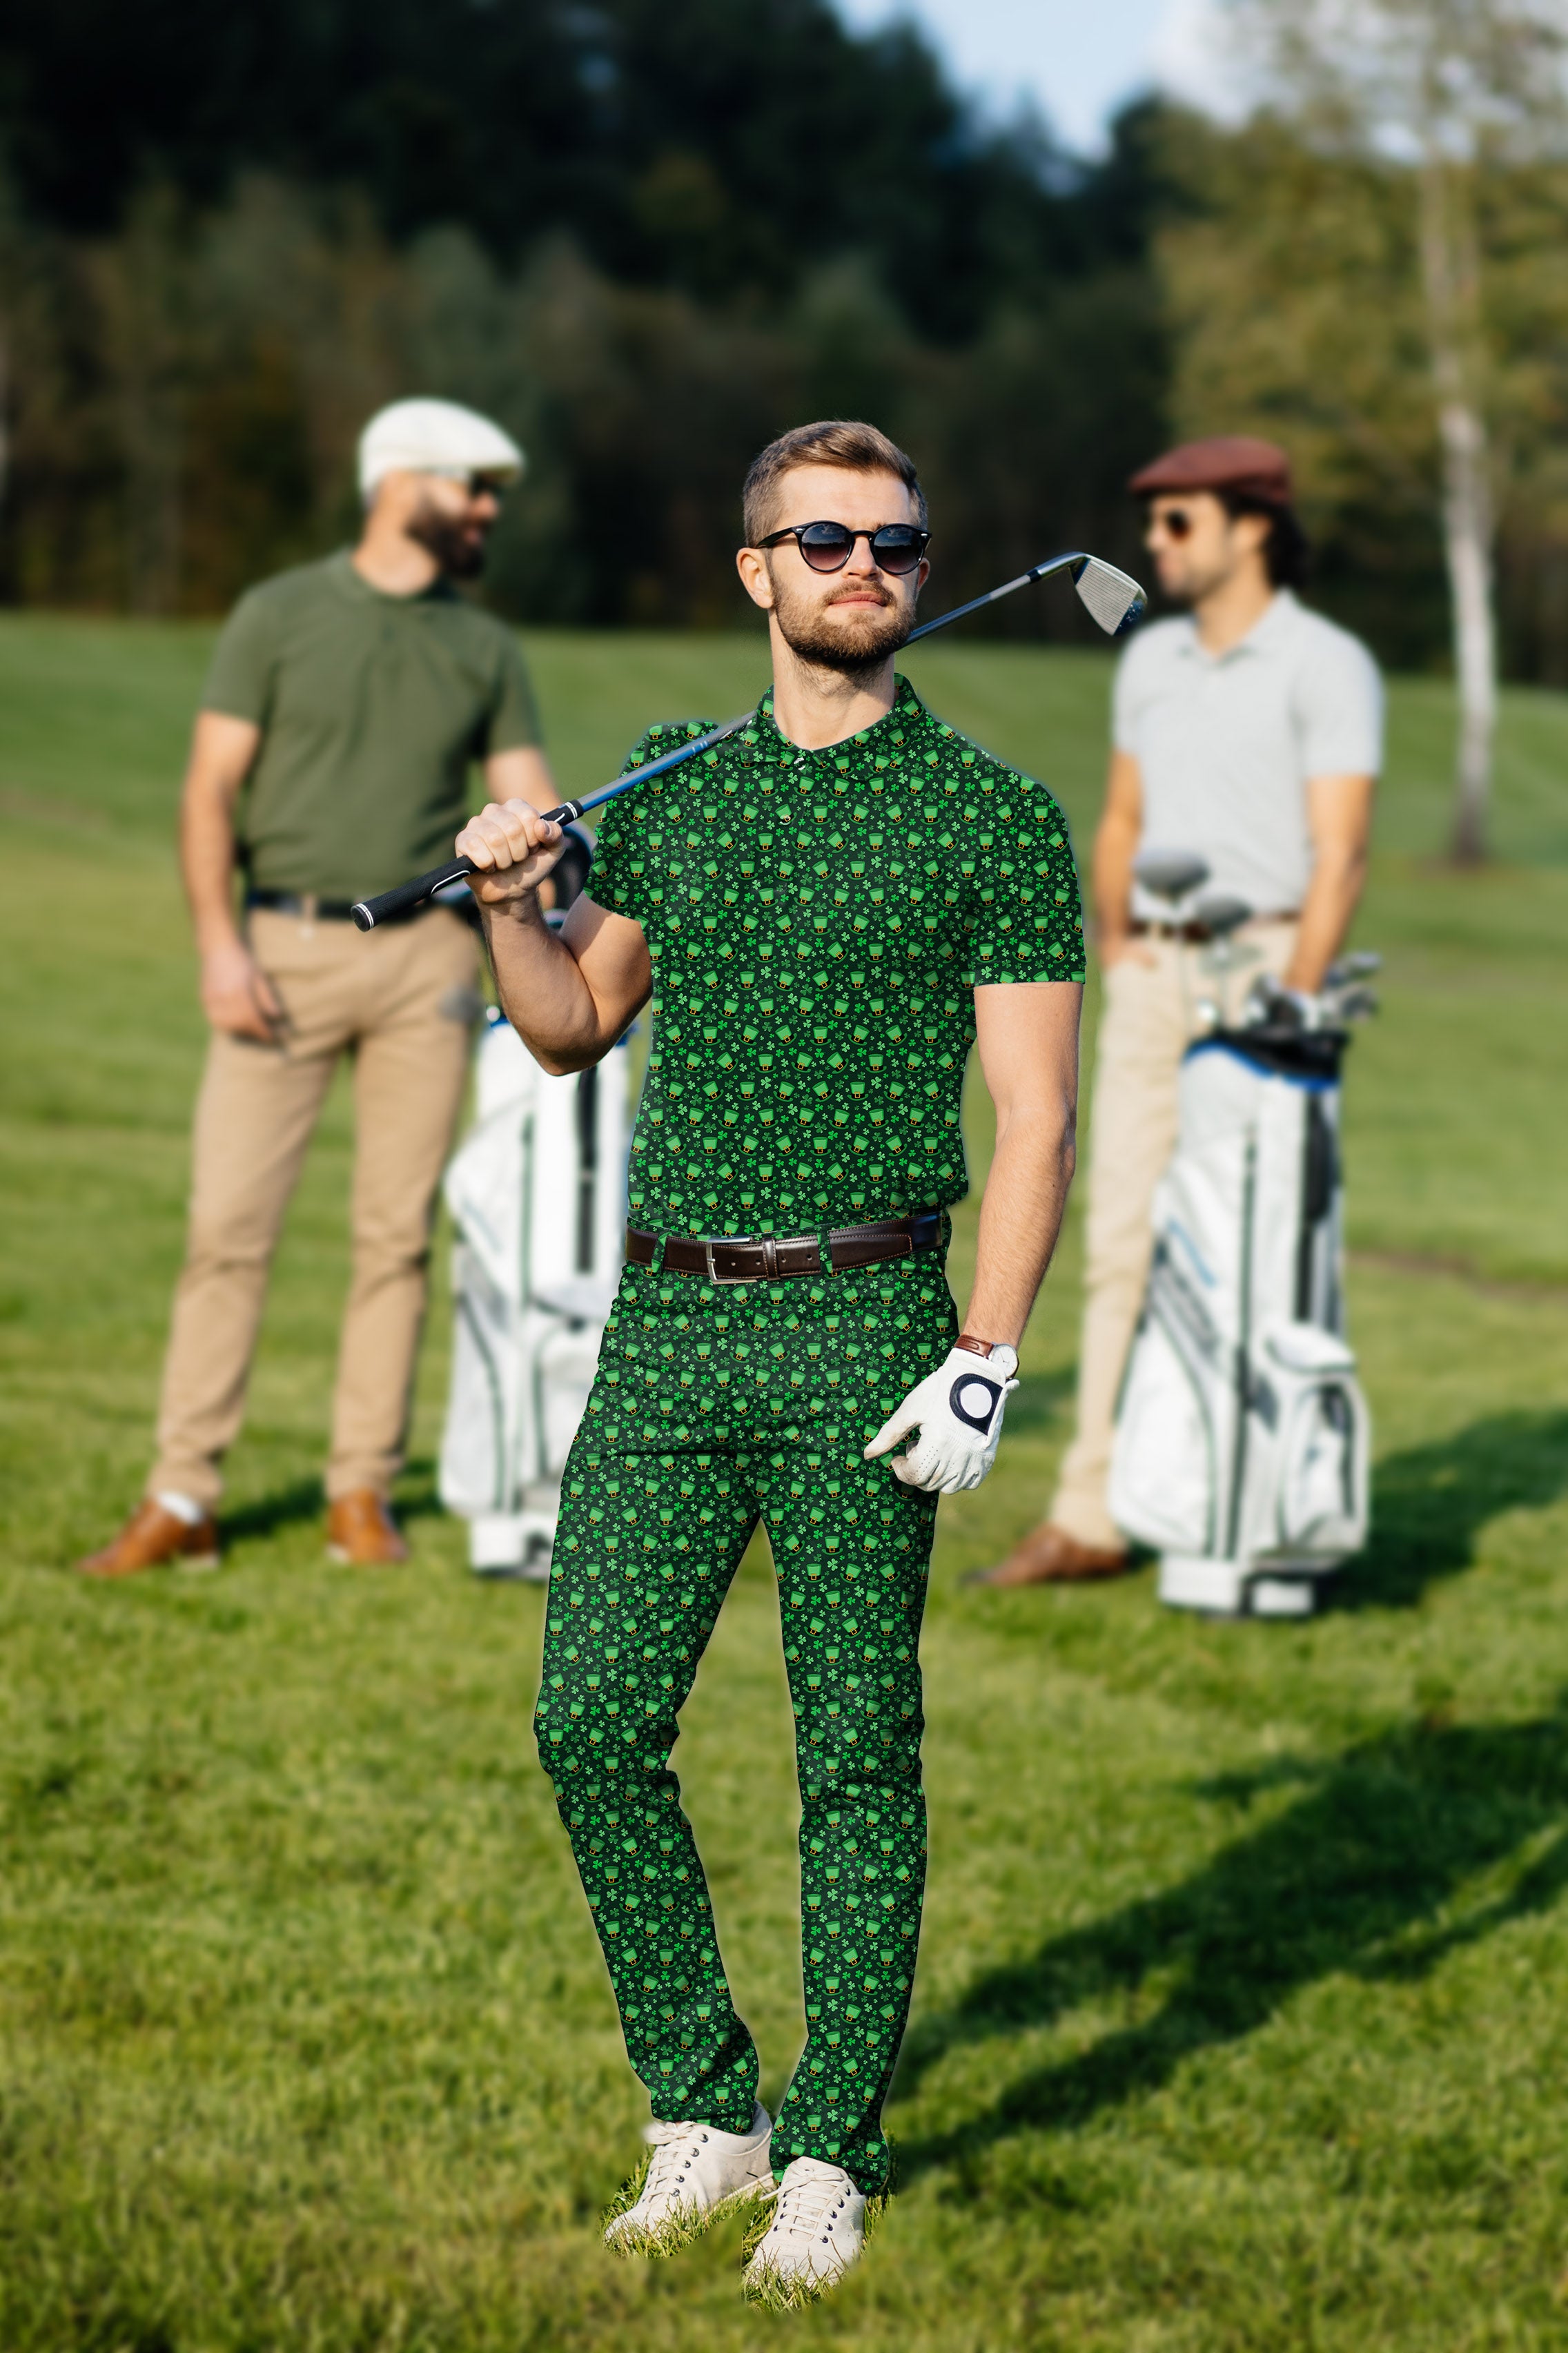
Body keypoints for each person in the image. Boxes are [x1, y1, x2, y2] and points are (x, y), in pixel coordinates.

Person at [453, 419, 1084, 2302]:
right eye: (822, 540)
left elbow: (1038, 1117)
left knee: (854, 1756)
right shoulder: (676, 791)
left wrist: (989, 1353)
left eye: (893, 539)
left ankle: (827, 2151)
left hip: (871, 1319)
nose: (863, 565)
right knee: (587, 1718)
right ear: (760, 575)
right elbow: (568, 1025)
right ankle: (703, 2103)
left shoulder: (994, 815)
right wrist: (507, 898)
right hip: (668, 1322)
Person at [79, 397, 558, 1577]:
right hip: (278, 950)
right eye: (473, 486)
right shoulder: (277, 614)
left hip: (430, 967)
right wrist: (217, 946)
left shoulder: (484, 644)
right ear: (400, 483)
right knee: (226, 1231)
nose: (489, 509)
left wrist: (551, 887)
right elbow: (209, 791)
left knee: (394, 1237)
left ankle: (360, 1496)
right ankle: (183, 1494)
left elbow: (534, 800)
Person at [977, 433, 1382, 1589]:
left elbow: (1341, 854)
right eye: (1151, 523)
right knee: (1117, 1245)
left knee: (1251, 1250)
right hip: (1154, 974)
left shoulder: (1326, 662)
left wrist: (1293, 1004)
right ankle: (1094, 1511)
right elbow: (1120, 821)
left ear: (1254, 525)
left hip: (1265, 973)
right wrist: (1121, 948)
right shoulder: (1149, 662)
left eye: (1179, 522)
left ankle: (1246, 1509)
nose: (1155, 544)